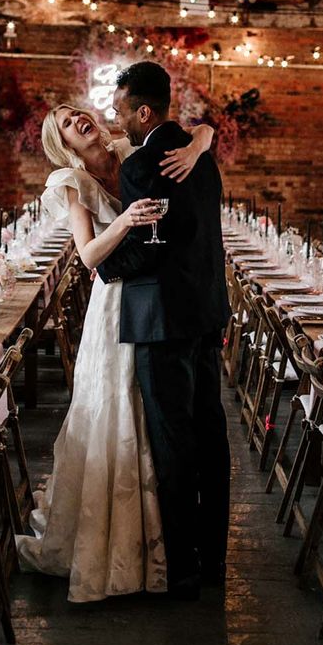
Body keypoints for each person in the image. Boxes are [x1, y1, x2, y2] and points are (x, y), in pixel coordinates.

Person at [15, 102, 214, 602]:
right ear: (63, 142)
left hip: (157, 295)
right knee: (117, 410)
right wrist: (124, 220)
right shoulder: (71, 181)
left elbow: (206, 129)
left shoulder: (132, 151)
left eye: (78, 112)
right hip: (116, 302)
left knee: (156, 418)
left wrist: (195, 145)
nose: (78, 120)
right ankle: (122, 540)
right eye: (65, 123)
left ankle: (165, 539)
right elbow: (86, 256)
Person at [97, 62, 230, 601]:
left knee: (173, 444)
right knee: (210, 435)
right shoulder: (201, 155)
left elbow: (151, 239)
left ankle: (183, 570)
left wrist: (105, 266)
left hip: (161, 320)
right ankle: (215, 557)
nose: (116, 117)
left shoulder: (144, 162)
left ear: (143, 110)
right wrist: (203, 136)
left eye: (121, 109)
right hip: (205, 312)